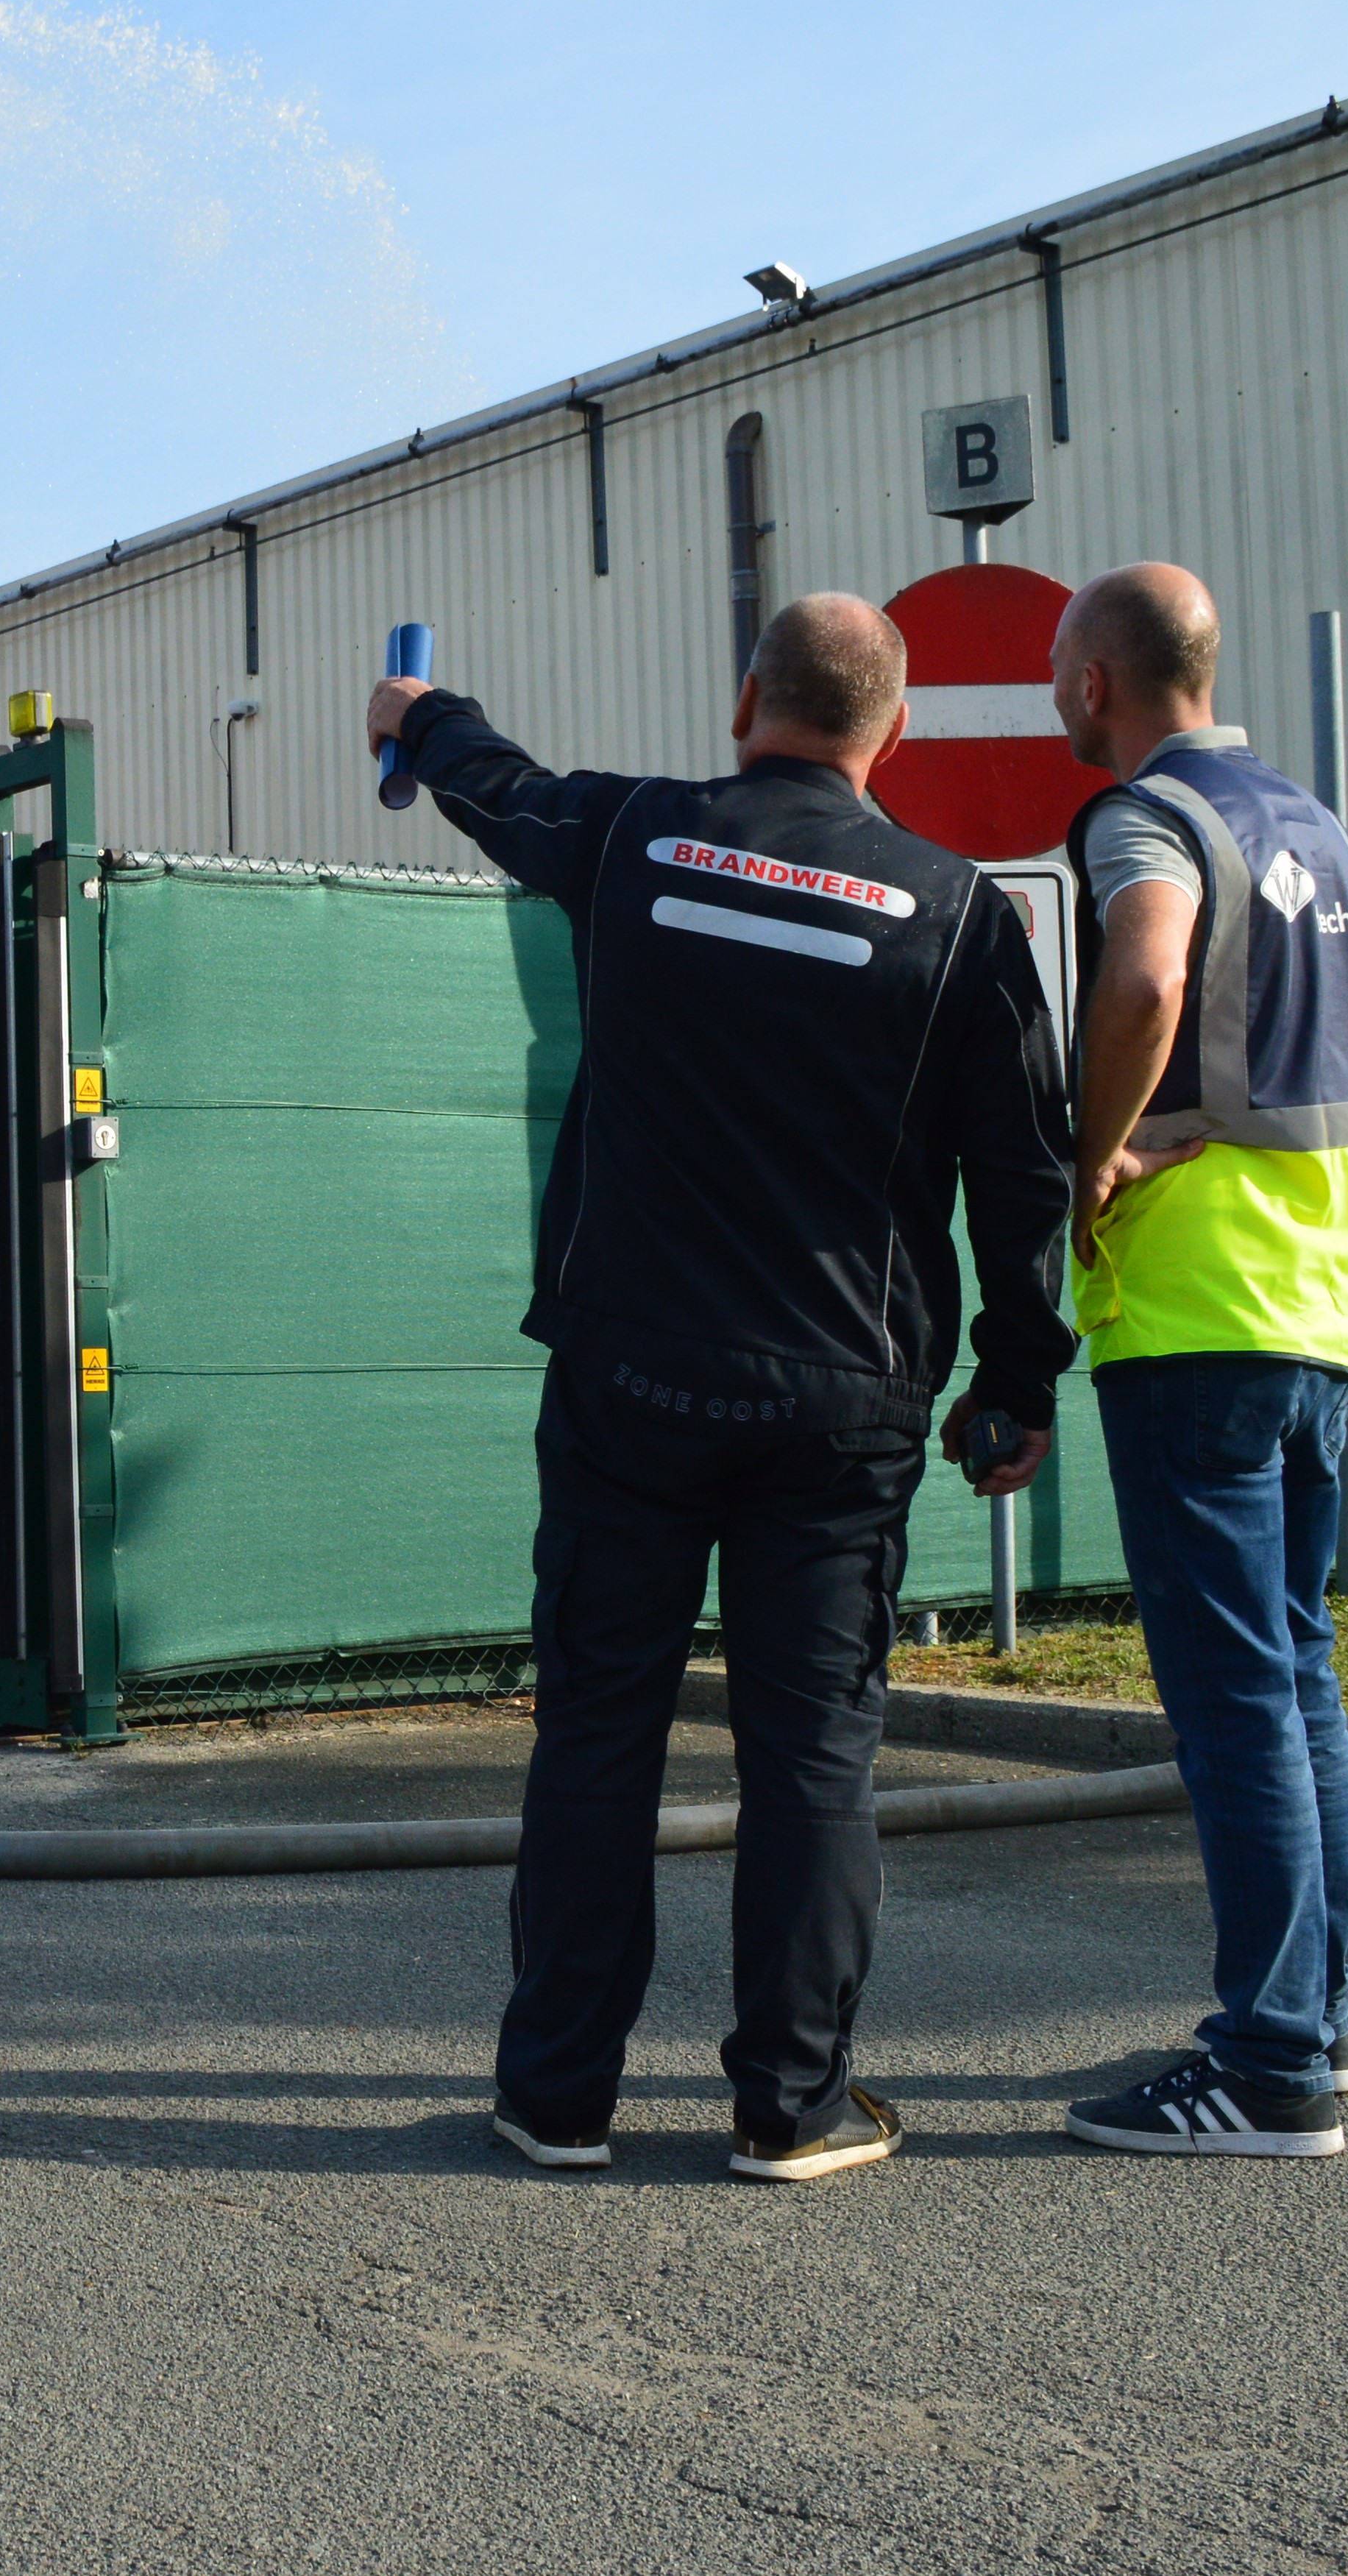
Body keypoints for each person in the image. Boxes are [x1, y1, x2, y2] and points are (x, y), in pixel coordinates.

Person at [375, 594, 1072, 2184]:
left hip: (630, 1379)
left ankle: (554, 2098)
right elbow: (1021, 1173)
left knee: (598, 1737)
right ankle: (791, 2107)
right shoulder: (962, 916)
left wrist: (417, 717)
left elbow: (499, 785)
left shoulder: (633, 839)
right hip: (840, 1401)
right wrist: (1017, 1380)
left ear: (743, 695)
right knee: (812, 1755)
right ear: (888, 730)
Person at [1047, 563, 1348, 2159]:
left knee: (1230, 1697)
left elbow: (1142, 974)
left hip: (1199, 1305)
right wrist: (1258, 1111)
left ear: (1095, 682)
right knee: (1293, 1671)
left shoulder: (1142, 819)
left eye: (1055, 673)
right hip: (1327, 1290)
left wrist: (1101, 1147)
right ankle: (1316, 2027)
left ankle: (1270, 2062)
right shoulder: (1302, 815)